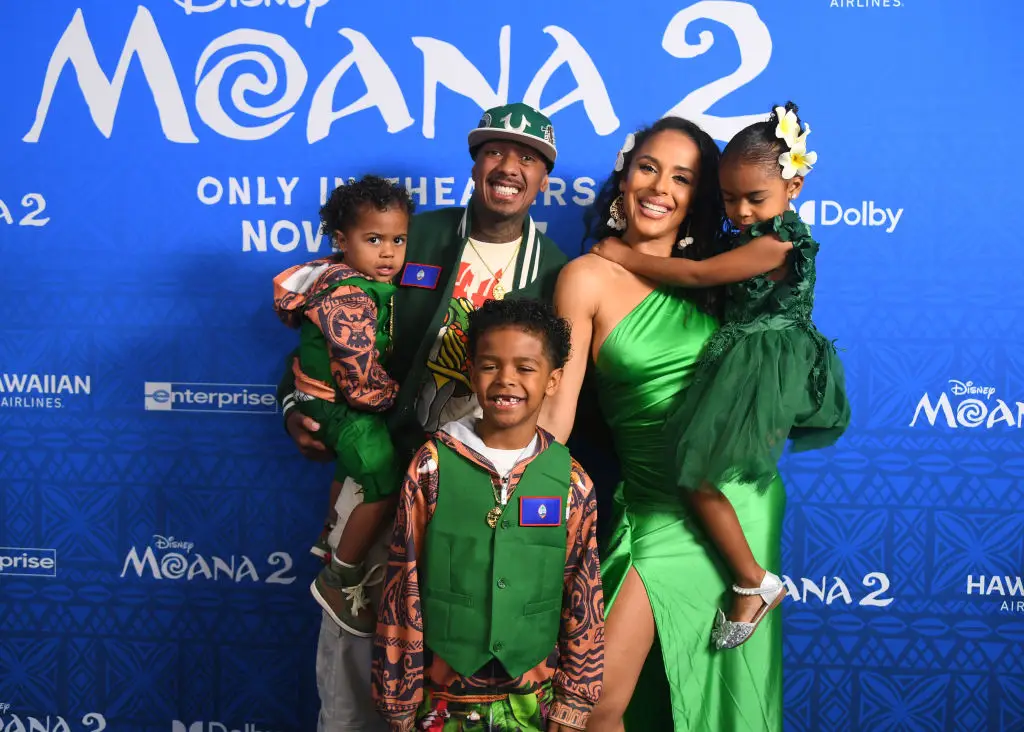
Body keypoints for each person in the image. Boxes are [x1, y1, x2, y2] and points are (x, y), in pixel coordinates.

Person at [275, 103, 569, 732]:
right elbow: (330, 317)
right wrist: (294, 401)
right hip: (388, 454)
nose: (508, 166)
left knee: (444, 659)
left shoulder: (556, 271)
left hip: (475, 493)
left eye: (528, 157)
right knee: (354, 647)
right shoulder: (410, 234)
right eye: (494, 150)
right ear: (474, 162)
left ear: (545, 177)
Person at [547, 116, 785, 731]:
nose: (660, 187)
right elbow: (557, 413)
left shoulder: (721, 278)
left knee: (721, 694)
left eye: (683, 177)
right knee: (593, 703)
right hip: (654, 506)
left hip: (735, 505)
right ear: (625, 177)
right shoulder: (585, 277)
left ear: (697, 197)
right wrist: (503, 481)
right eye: (649, 167)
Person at [590, 102, 850, 649]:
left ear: (794, 186)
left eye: (755, 198)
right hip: (743, 357)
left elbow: (696, 273)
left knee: (694, 475)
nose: (742, 211)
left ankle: (754, 581)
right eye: (730, 199)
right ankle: (750, 578)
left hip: (760, 364)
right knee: (693, 471)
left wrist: (621, 255)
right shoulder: (747, 234)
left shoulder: (776, 243)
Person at [372, 298, 604, 732]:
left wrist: (574, 702)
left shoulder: (571, 481)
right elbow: (402, 583)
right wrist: (398, 695)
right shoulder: (430, 467)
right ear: (470, 371)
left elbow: (583, 593)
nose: (506, 380)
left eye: (526, 368)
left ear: (553, 380)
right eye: (490, 365)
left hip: (534, 698)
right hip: (442, 696)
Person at [273, 175, 413, 637]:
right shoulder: (350, 296)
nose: (388, 253)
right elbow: (358, 379)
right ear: (341, 240)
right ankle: (341, 574)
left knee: (354, 468)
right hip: (340, 403)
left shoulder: (349, 281)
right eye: (373, 240)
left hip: (329, 397)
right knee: (382, 477)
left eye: (398, 240)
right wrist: (395, 398)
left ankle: (330, 532)